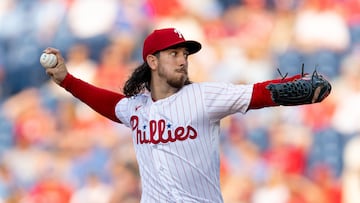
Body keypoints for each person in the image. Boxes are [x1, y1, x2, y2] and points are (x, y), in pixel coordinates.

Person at [42, 27, 331, 203]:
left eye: (185, 54)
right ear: (152, 61)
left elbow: (257, 93)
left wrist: (294, 83)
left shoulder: (203, 97)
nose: (183, 61)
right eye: (174, 54)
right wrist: (67, 80)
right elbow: (109, 103)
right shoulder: (136, 108)